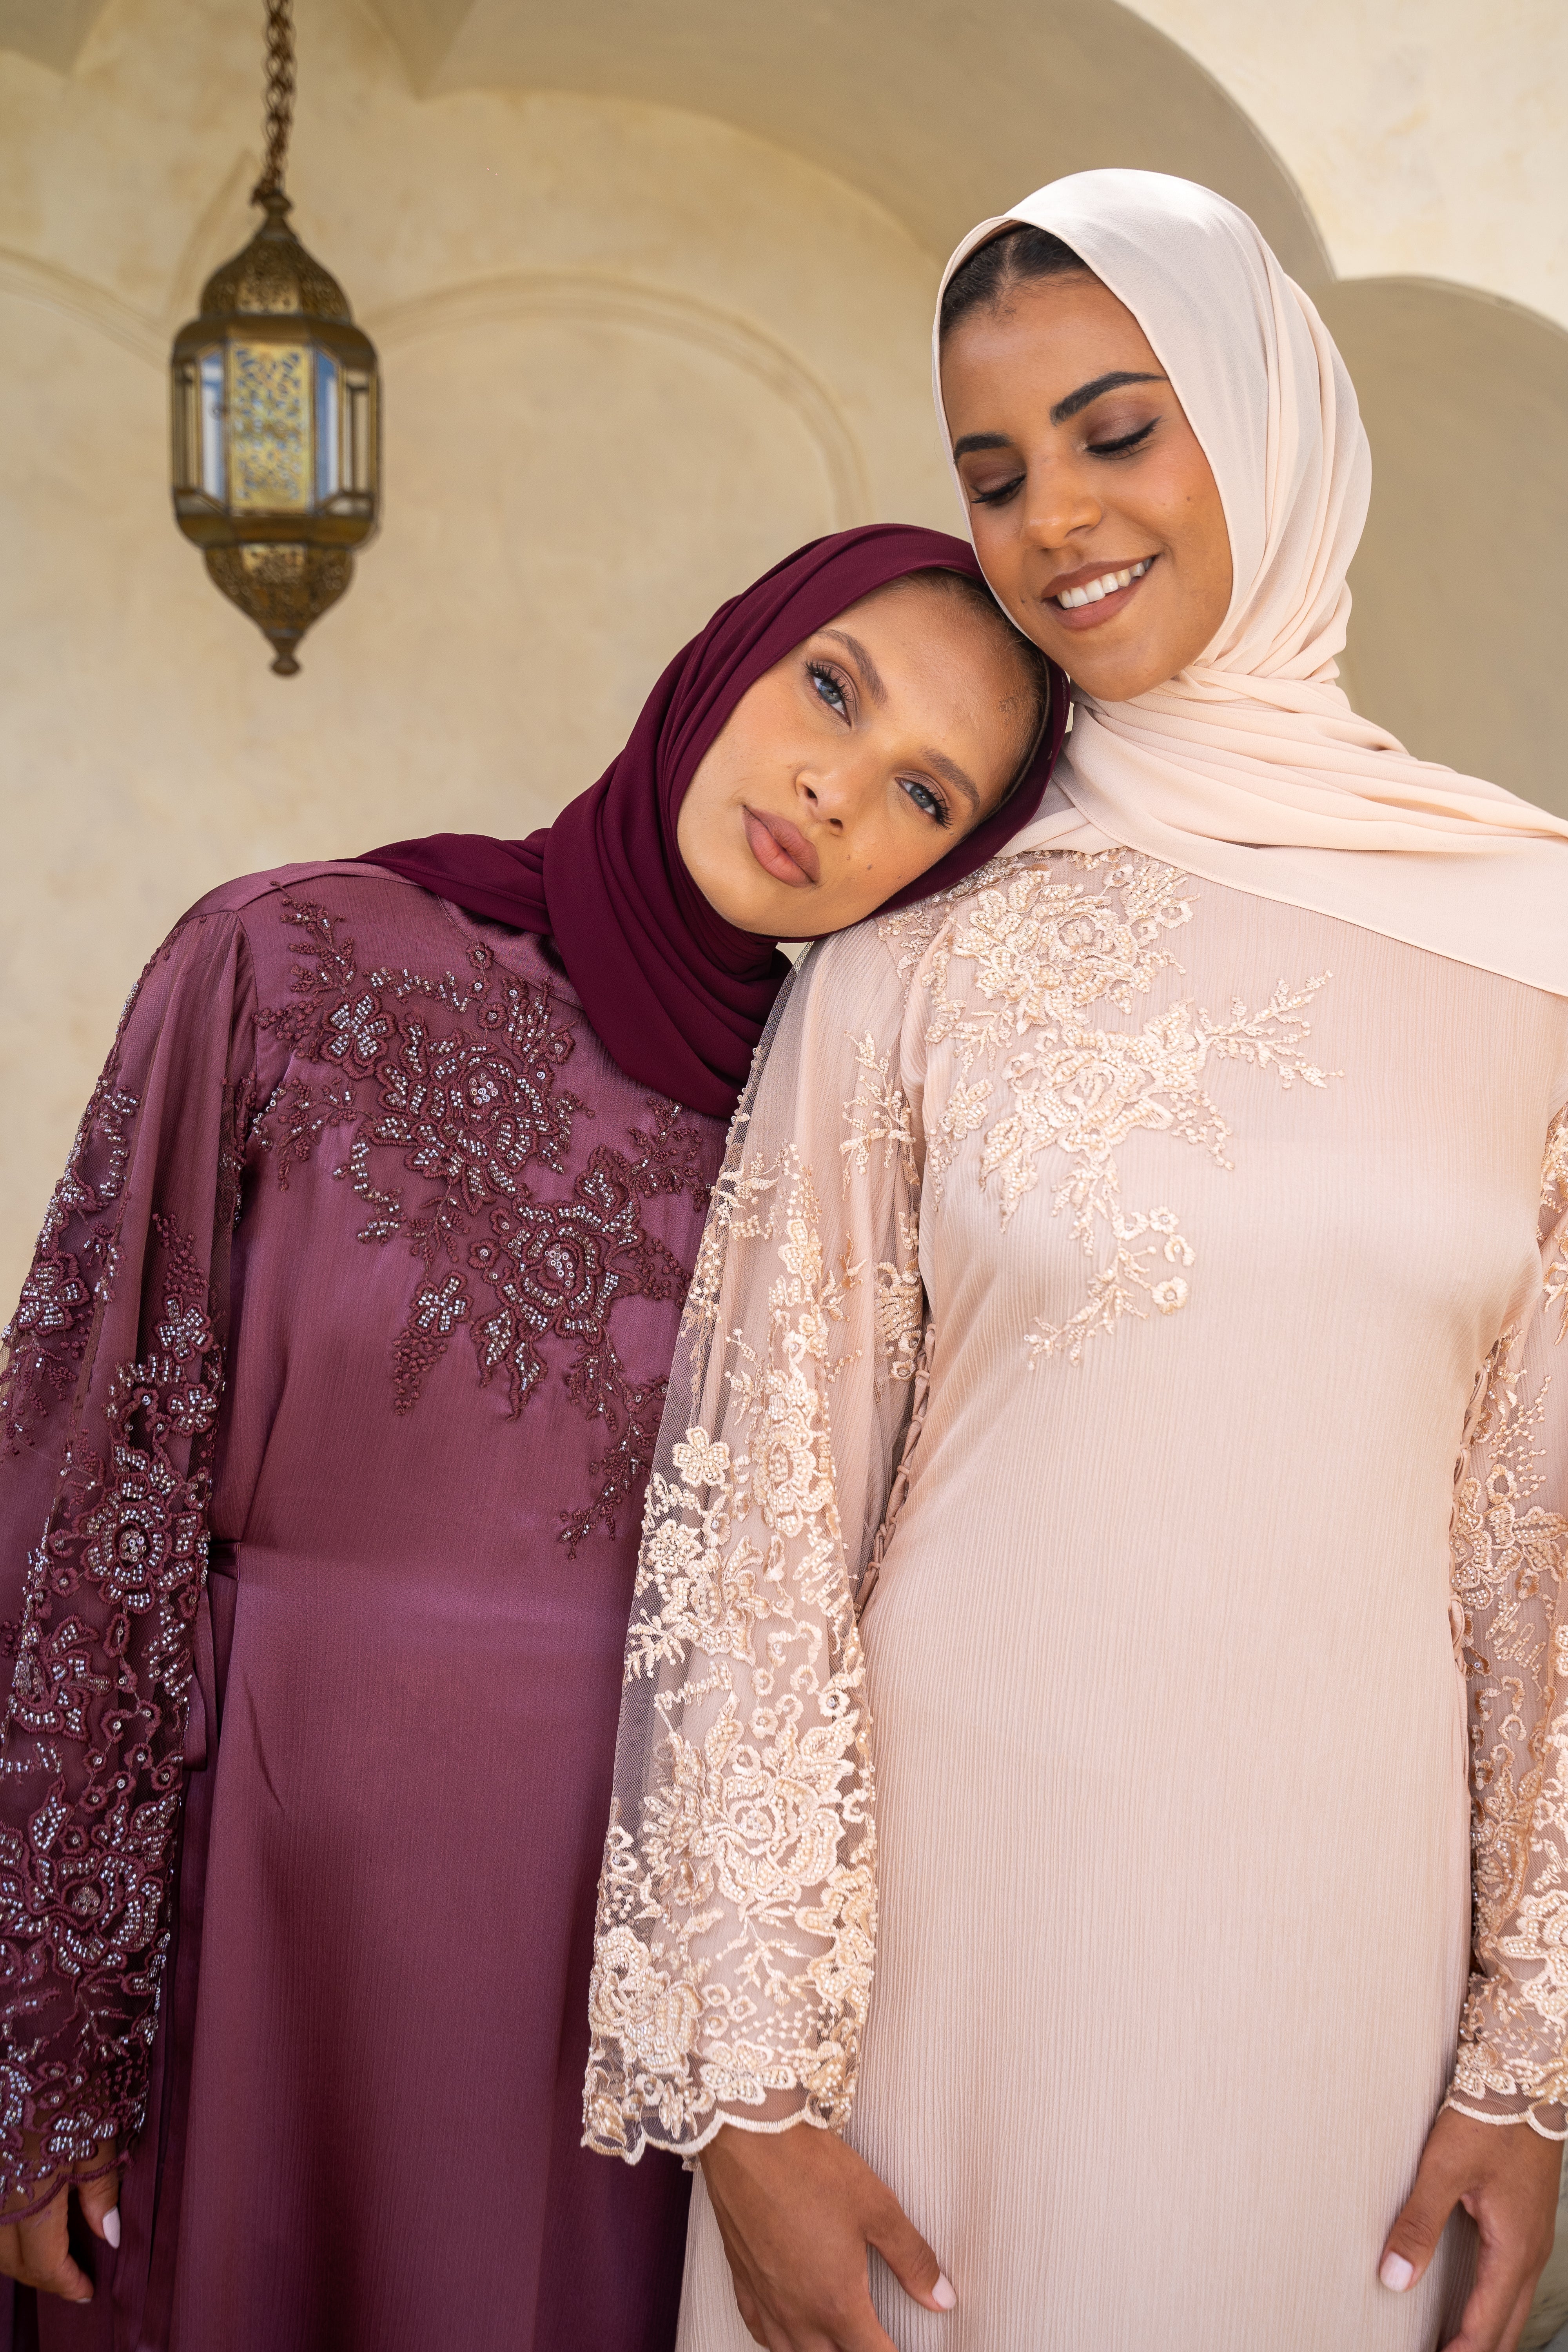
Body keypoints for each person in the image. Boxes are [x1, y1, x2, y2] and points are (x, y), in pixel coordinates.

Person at [583, 178, 1568, 2352]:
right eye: (995, 470)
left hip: (1339, 1967)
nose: (1054, 522)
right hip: (937, 1972)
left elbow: (1549, 1553)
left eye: (1117, 432)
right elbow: (763, 1524)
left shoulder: (1541, 943)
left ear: (1271, 419)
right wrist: (750, 2094)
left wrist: (1533, 2064)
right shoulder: (920, 943)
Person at [0, 523, 1064, 2352]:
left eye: (923, 793)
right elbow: (85, 1484)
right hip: (245, 1918)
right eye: (829, 689)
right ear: (729, 658)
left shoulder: (858, 1153)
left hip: (610, 2006)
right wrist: (40, 2033)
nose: (833, 785)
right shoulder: (290, 958)